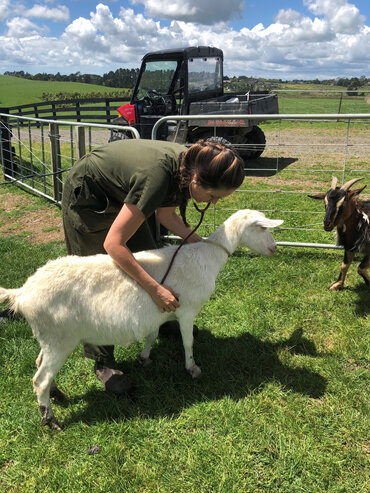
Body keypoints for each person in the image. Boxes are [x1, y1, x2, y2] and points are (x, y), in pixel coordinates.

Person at [61, 138, 245, 395]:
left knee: (151, 256)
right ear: (196, 182)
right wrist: (154, 289)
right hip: (90, 196)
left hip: (123, 193)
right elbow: (113, 244)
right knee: (98, 278)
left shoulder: (191, 163)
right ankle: (103, 360)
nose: (213, 202)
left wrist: (201, 244)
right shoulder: (158, 176)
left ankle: (166, 318)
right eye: (213, 196)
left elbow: (165, 215)